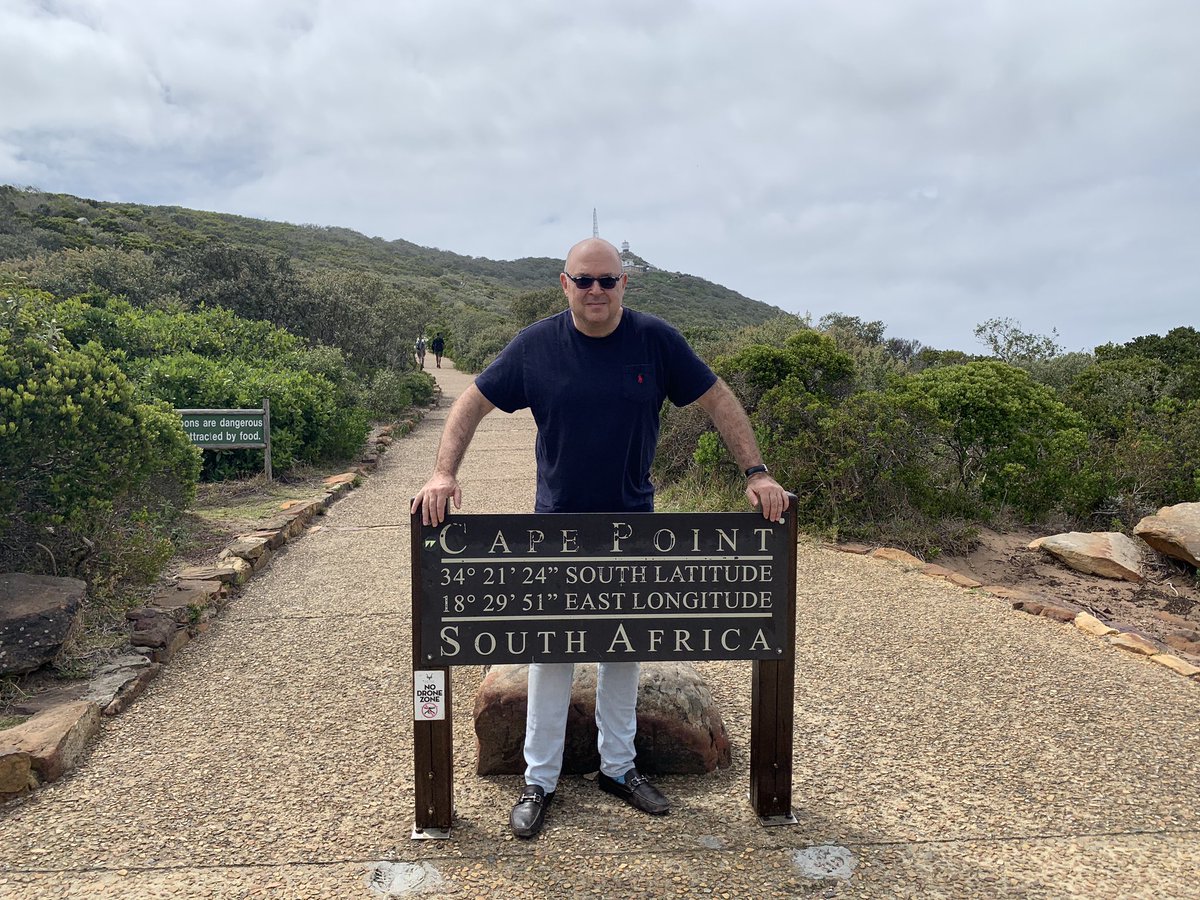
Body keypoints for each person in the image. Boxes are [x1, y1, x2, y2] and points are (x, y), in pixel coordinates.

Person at [411, 238, 788, 839]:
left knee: (622, 650)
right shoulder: (536, 346)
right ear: (564, 284)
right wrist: (442, 473)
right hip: (556, 527)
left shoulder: (655, 340)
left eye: (607, 281)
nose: (595, 291)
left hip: (633, 526)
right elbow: (472, 403)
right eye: (583, 280)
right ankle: (539, 780)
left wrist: (757, 472)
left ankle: (619, 768)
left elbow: (718, 399)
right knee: (551, 653)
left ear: (623, 284)